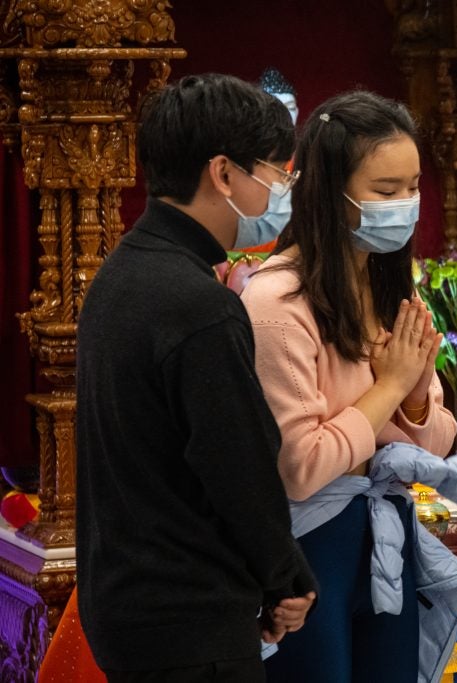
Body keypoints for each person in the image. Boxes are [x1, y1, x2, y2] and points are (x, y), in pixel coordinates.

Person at [76, 73, 317, 682]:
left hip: (128, 605)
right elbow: (237, 464)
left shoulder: (121, 274)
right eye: (274, 170)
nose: (282, 190)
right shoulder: (196, 303)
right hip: (188, 619)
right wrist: (284, 576)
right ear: (224, 173)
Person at [241, 91, 457, 682]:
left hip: (383, 531)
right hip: (311, 549)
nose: (406, 205)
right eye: (385, 192)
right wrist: (391, 387)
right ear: (326, 192)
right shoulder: (275, 302)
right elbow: (302, 467)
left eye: (413, 188)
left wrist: (415, 397)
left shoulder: (390, 287)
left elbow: (436, 444)